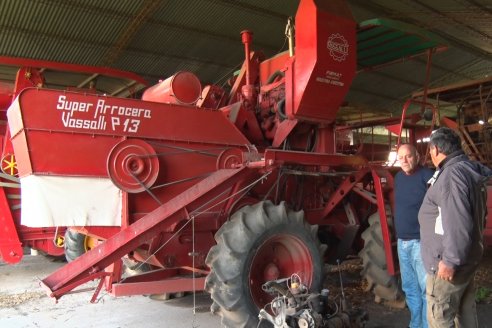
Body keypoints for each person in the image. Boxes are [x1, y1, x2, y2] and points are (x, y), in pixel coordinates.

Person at [418, 127, 492, 328]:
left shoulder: (451, 175)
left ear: (435, 149)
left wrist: (450, 260)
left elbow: (457, 220)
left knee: (440, 317)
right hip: (468, 258)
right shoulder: (467, 169)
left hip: (448, 266)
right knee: (465, 313)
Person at [395, 144, 434, 328]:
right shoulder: (398, 178)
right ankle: (415, 324)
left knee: (427, 290)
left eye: (408, 156)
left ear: (417, 156)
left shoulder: (427, 177)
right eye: (400, 157)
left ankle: (427, 325)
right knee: (410, 289)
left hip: (421, 242)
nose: (404, 160)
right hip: (402, 243)